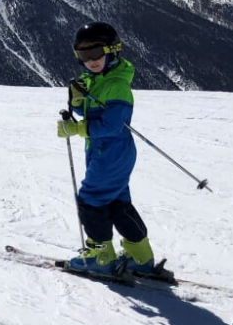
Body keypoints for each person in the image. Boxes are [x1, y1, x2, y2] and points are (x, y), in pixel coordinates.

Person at [58, 21, 157, 277]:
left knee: (91, 200)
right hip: (112, 153)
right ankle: (140, 256)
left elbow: (111, 125)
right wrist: (78, 103)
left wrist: (77, 129)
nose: (90, 60)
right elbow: (93, 111)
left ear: (112, 50)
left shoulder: (117, 85)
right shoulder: (98, 80)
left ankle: (101, 257)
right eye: (84, 55)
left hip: (109, 153)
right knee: (117, 203)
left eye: (96, 53)